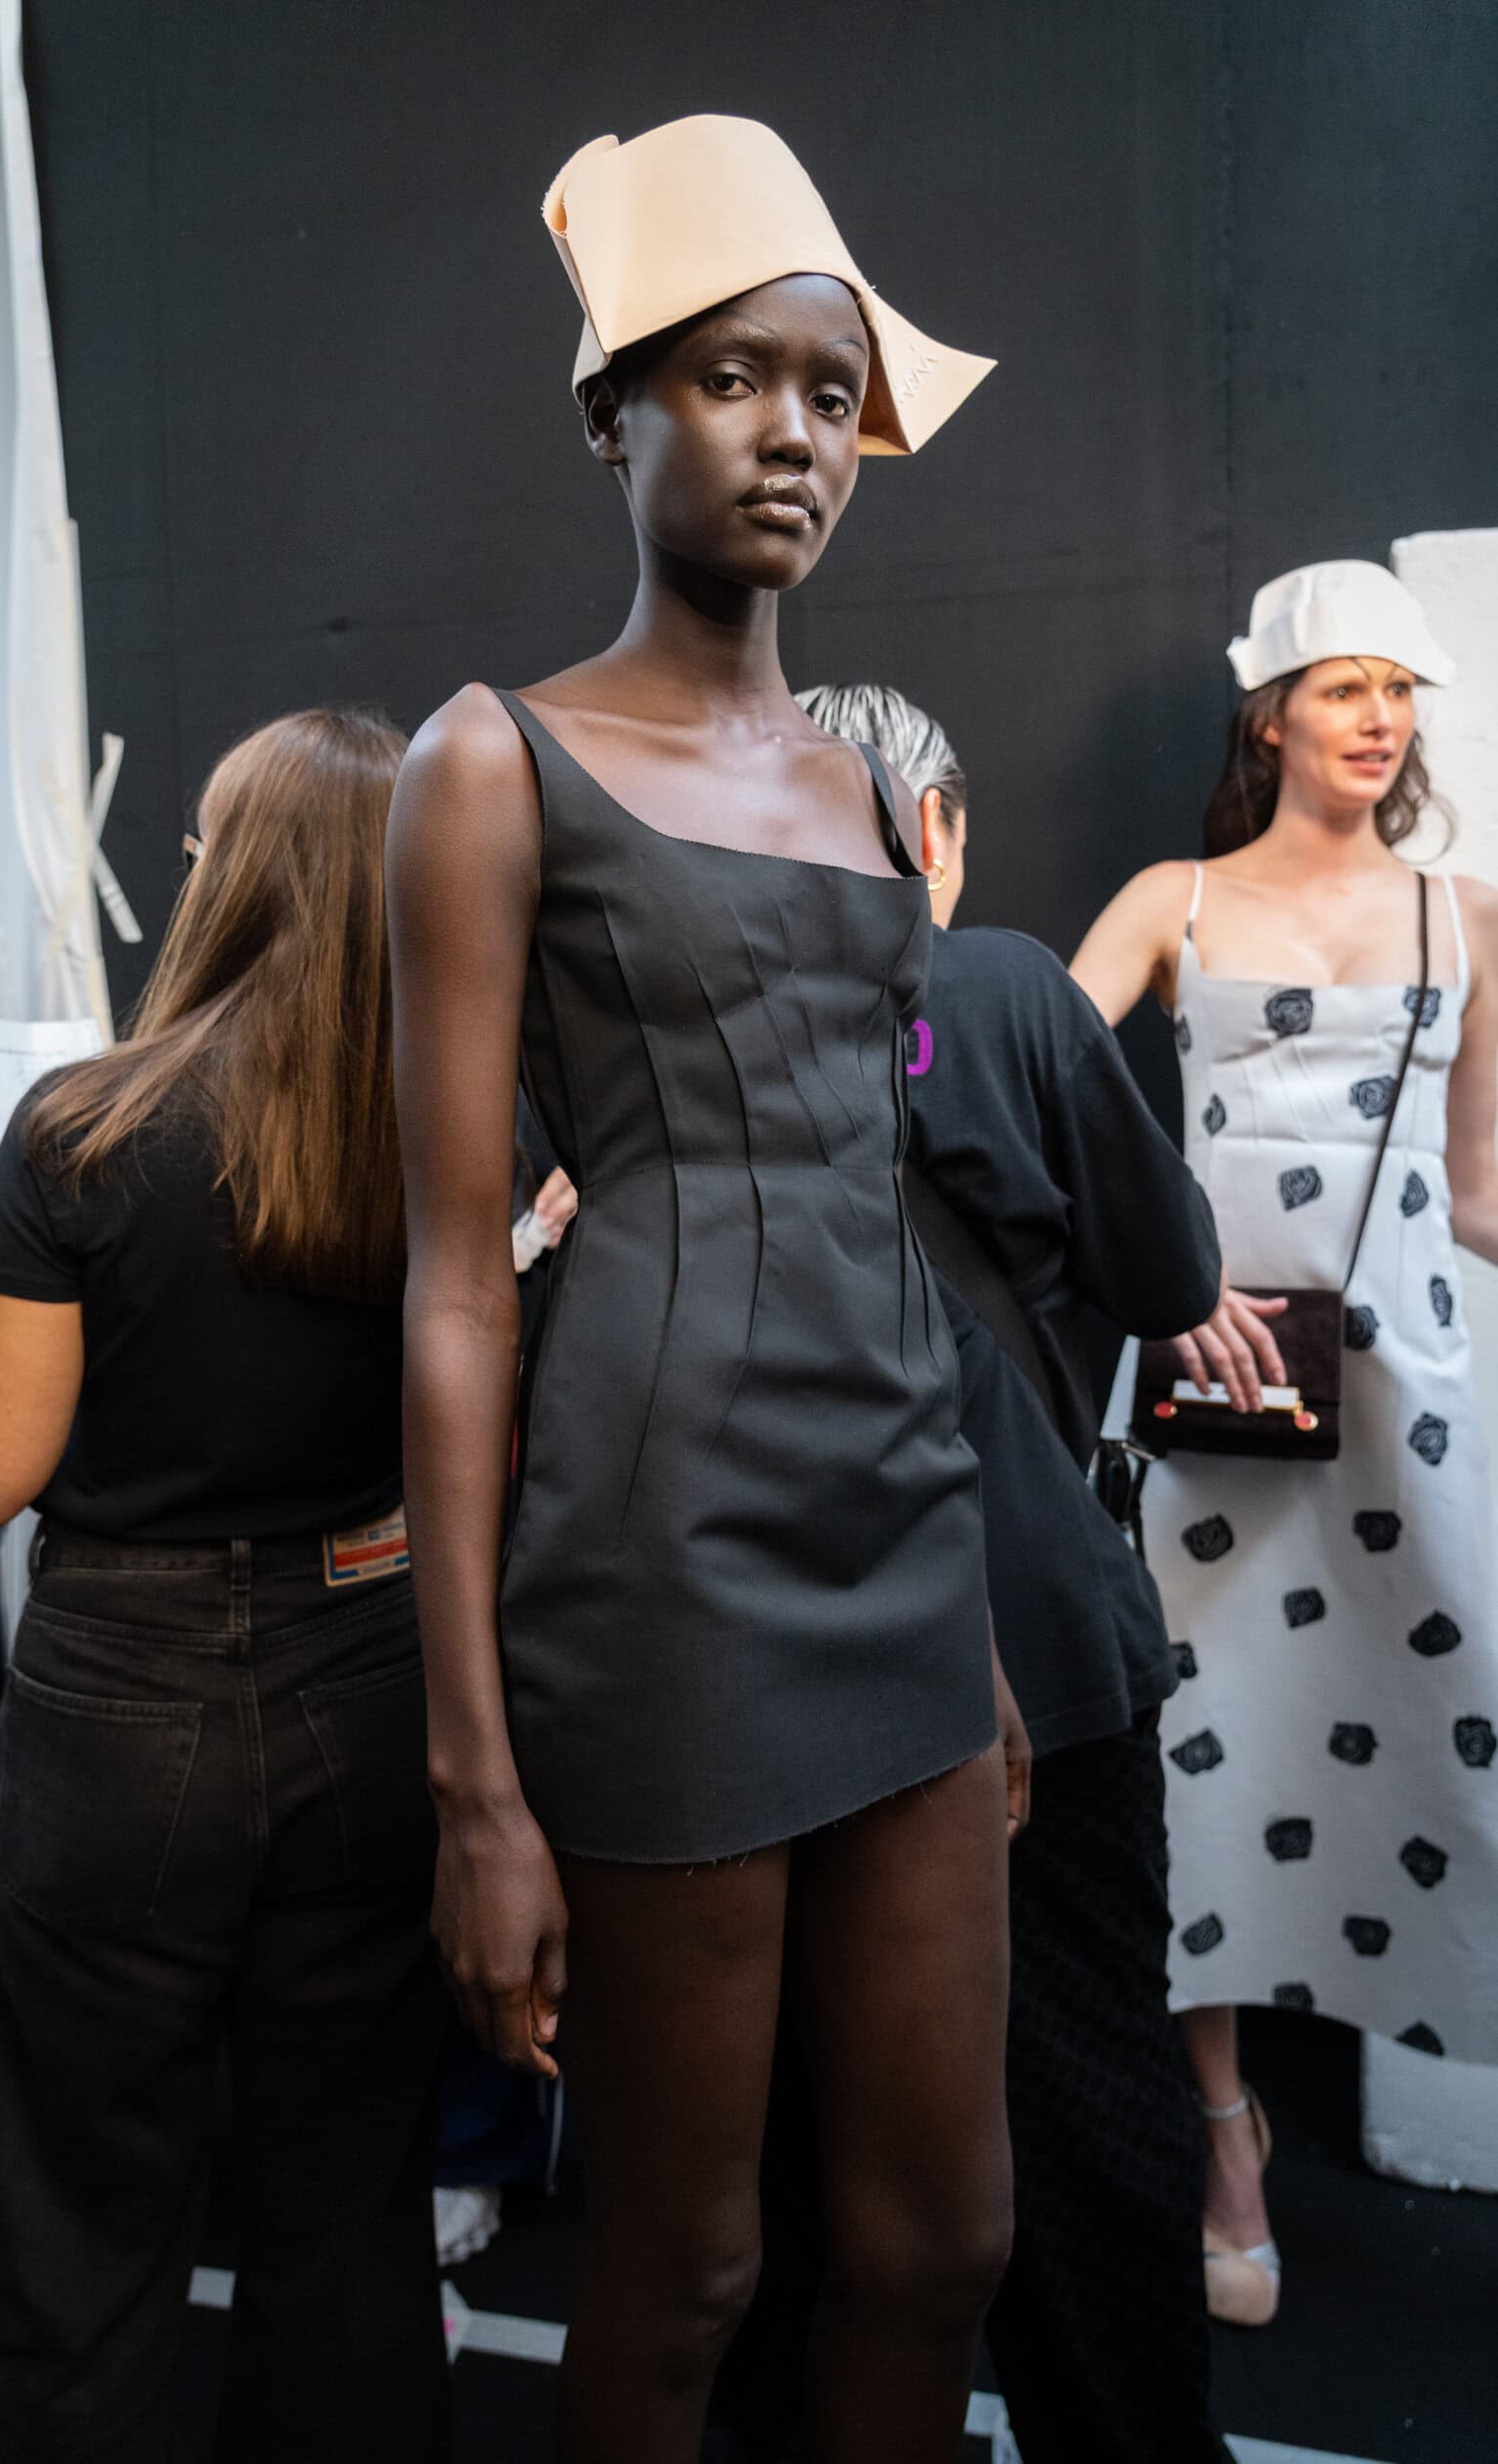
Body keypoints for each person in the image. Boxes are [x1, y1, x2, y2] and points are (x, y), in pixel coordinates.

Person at [386, 115, 1019, 2464]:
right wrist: (474, 1780)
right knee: (688, 2264)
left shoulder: (861, 791)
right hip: (660, 1572)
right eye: (734, 378)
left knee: (940, 2238)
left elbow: (872, 1212)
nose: (793, 436)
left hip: (901, 1547)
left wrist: (971, 1625)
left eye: (831, 395)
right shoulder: (491, 761)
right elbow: (458, 1284)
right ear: (611, 410)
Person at [0, 710, 450, 2462]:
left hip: (121, 1709)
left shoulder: (81, 1132)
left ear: (229, 879)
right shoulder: (450, 1128)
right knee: (348, 2225)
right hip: (372, 1670)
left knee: (80, 2231)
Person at [709, 682, 1230, 2464]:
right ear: (934, 828)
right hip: (1033, 1624)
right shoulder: (1002, 985)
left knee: (800, 2136)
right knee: (1083, 2108)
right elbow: (1170, 1280)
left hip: (773, 1648)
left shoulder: (686, 1027)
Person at [1071, 560, 1498, 2326]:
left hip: (1412, 1403)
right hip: (1221, 1390)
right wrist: (1143, 1282)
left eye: (1399, 688)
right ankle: (1224, 2137)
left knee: (1442, 1731)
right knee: (1206, 1767)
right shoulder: (1170, 902)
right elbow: (1037, 1093)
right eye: (1344, 687)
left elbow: (1478, 1190)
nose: (1379, 716)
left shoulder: (1469, 912)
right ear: (1272, 715)